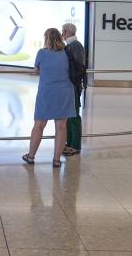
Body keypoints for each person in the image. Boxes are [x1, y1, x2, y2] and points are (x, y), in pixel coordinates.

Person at [22, 28, 75, 168]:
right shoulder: (67, 53)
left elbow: (36, 70)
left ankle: (31, 156)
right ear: (59, 37)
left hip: (46, 92)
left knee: (39, 125)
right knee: (61, 127)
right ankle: (56, 160)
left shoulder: (42, 53)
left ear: (46, 39)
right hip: (65, 92)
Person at [61, 23, 86, 157]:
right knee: (69, 116)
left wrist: (76, 83)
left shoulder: (75, 46)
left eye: (62, 31)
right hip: (70, 85)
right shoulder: (69, 46)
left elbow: (78, 67)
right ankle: (69, 143)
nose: (61, 33)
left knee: (74, 115)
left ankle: (75, 145)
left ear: (65, 32)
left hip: (73, 86)